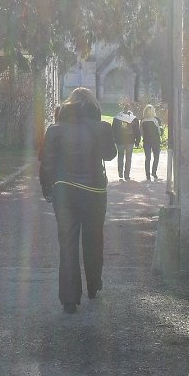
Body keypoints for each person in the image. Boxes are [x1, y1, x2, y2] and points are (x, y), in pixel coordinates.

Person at [39, 87, 117, 314]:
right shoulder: (102, 127)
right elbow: (110, 154)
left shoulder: (55, 130)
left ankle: (69, 299)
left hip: (64, 192)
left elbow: (47, 164)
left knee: (67, 243)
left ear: (68, 106)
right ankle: (93, 285)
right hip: (94, 191)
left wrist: (48, 190)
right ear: (93, 106)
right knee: (94, 239)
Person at [111, 101, 141, 181]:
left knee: (120, 156)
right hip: (130, 140)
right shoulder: (134, 119)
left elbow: (113, 129)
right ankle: (127, 174)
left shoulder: (117, 118)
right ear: (130, 110)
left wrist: (114, 139)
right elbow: (137, 131)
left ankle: (120, 172)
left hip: (119, 140)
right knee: (128, 158)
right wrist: (137, 141)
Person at [140, 104, 162, 181]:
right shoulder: (156, 120)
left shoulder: (143, 121)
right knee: (156, 157)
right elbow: (159, 131)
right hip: (155, 141)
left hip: (146, 141)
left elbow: (141, 132)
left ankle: (147, 175)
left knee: (148, 158)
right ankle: (154, 172)